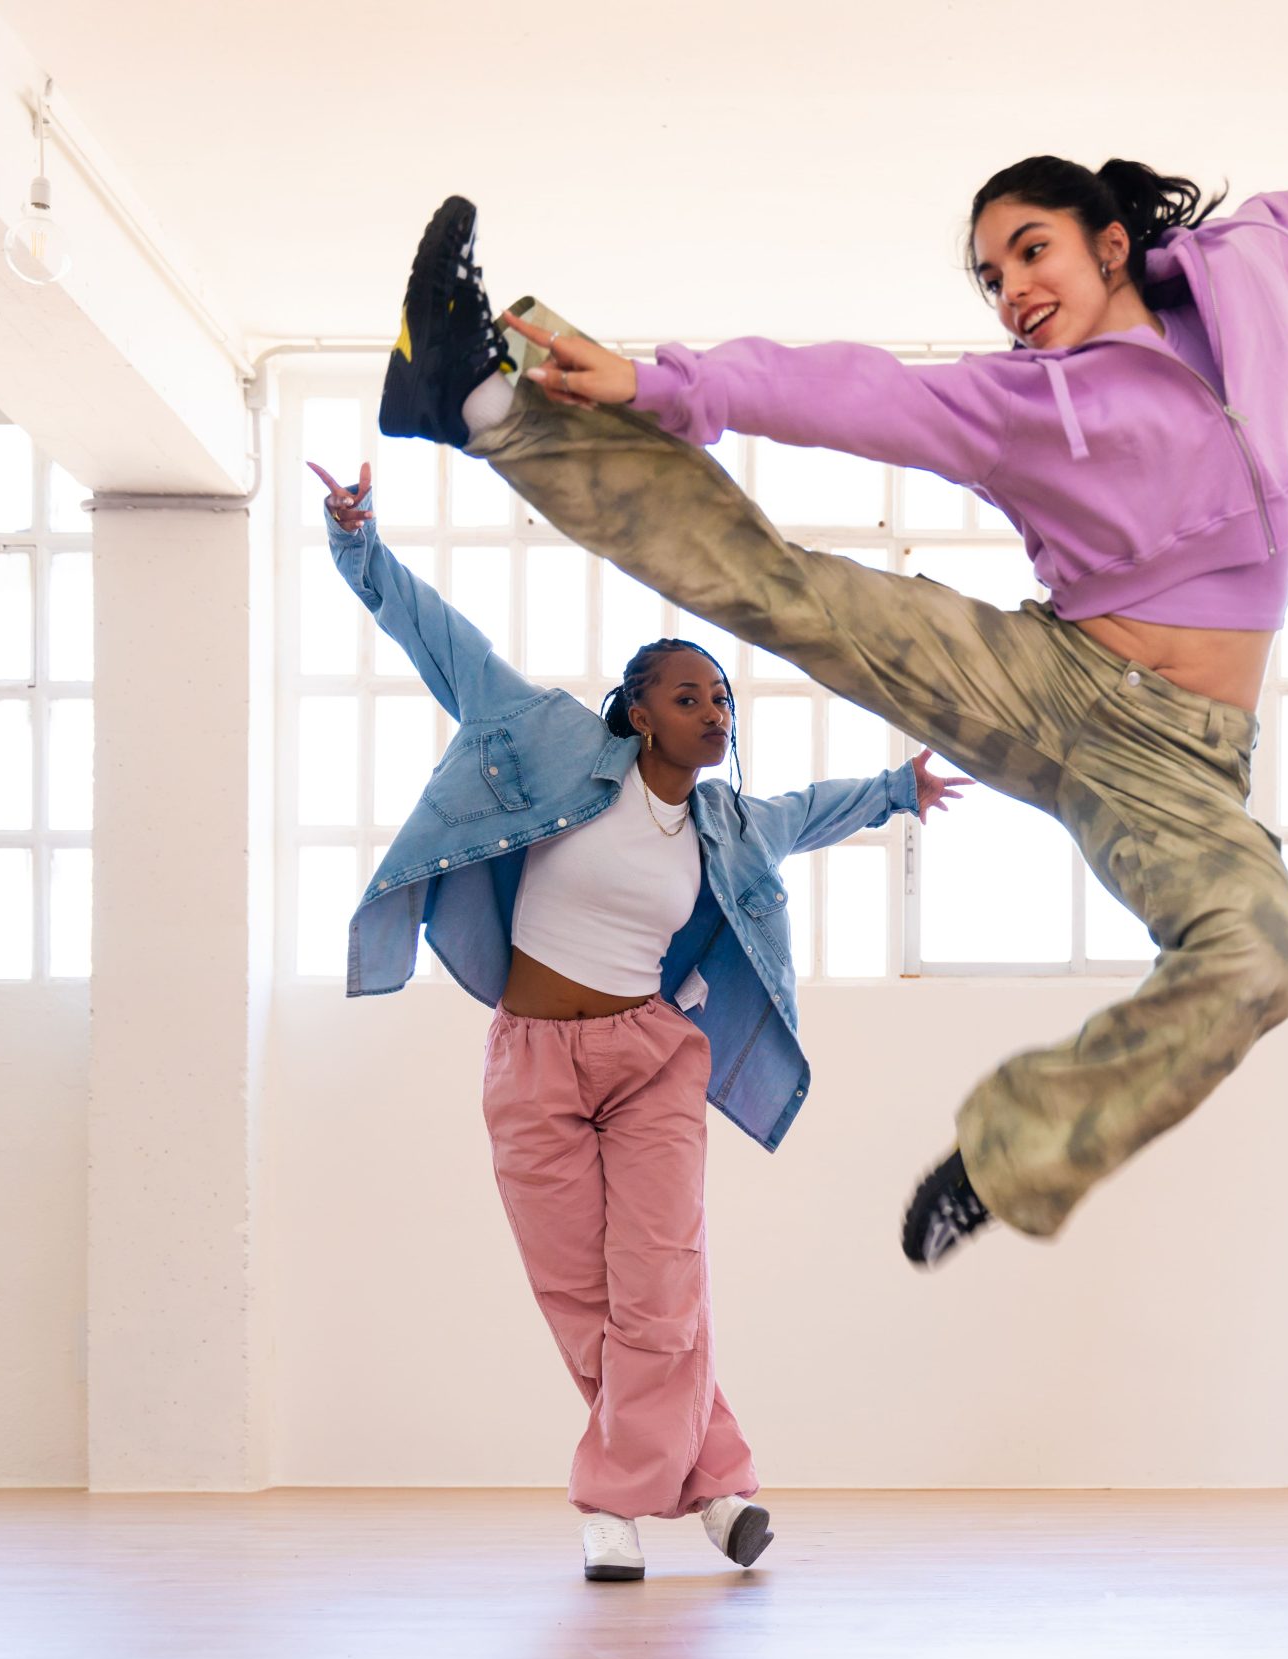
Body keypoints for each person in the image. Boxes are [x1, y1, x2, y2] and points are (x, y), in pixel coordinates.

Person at [372, 159, 1288, 1267]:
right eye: (990, 277)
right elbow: (853, 393)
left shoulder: (1238, 285)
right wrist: (668, 385)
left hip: (1179, 768)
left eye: (1030, 250)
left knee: (1261, 953)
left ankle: (1006, 1159)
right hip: (1050, 680)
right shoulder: (1023, 404)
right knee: (783, 591)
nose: (1012, 291)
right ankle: (479, 394)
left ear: (1108, 244)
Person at [309, 459, 968, 1580]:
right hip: (530, 1060)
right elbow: (443, 642)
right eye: (687, 695)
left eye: (721, 699)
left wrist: (897, 791)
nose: (712, 712)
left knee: (659, 1281)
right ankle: (715, 1487)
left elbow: (807, 811)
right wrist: (358, 543)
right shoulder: (553, 742)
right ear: (636, 709)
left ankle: (609, 1507)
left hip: (648, 1057)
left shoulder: (723, 820)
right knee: (580, 1295)